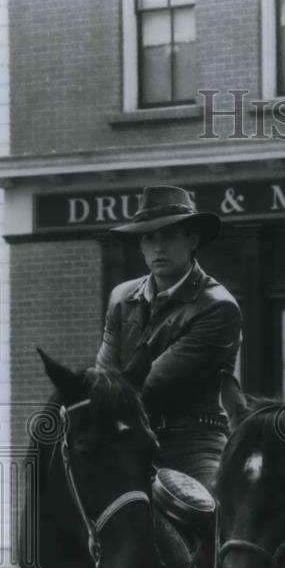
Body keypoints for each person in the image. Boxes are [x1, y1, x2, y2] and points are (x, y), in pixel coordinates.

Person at [96, 184, 241, 491]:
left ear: (192, 239)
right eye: (149, 237)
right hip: (128, 437)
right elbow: (105, 375)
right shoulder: (122, 297)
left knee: (208, 506)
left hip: (191, 444)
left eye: (169, 235)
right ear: (141, 245)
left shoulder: (217, 306)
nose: (158, 247)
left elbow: (154, 384)